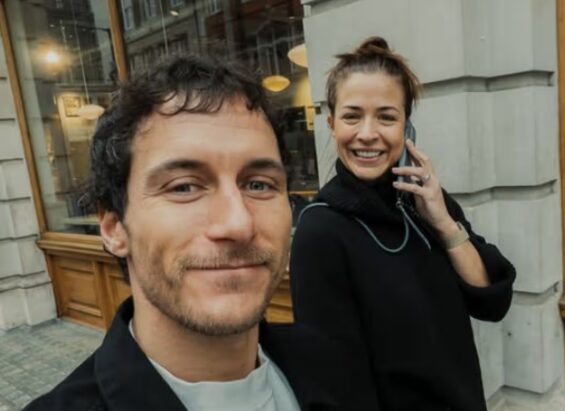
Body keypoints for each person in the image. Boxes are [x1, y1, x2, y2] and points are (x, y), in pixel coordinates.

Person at [25, 55, 377, 411]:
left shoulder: (335, 367)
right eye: (183, 187)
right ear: (115, 227)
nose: (238, 224)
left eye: (258, 184)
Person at [289, 37, 517, 411]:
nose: (367, 133)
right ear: (331, 124)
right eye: (352, 116)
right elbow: (337, 386)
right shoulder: (321, 230)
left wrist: (443, 222)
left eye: (386, 116)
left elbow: (493, 303)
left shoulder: (427, 201)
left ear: (406, 127)